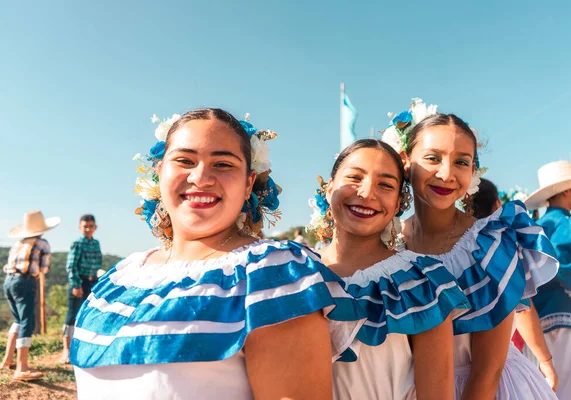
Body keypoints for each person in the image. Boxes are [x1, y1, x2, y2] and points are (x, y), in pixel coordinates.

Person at [70, 108, 366, 400]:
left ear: (249, 182)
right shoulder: (119, 278)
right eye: (184, 160)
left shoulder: (274, 275)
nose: (201, 177)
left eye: (223, 164)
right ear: (160, 172)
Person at [382, 98, 559, 399]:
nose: (447, 173)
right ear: (405, 161)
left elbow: (487, 373)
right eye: (433, 158)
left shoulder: (489, 245)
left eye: (462, 161)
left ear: (473, 170)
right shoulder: (387, 243)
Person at [307, 139, 470, 399]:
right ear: (329, 189)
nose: (367, 193)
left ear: (397, 204)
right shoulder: (295, 275)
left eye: (385, 185)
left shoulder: (420, 280)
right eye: (354, 177)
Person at [471, 178, 559, 392]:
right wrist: (546, 361)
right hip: (497, 370)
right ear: (497, 205)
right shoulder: (497, 249)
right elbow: (522, 309)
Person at [525, 160, 571, 399]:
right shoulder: (563, 221)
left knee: (569, 387)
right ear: (566, 191)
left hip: (550, 315)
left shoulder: (542, 223)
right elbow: (560, 260)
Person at [1, 210, 60, 381]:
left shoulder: (18, 243)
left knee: (17, 320)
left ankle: (7, 360)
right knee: (27, 321)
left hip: (8, 281)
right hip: (25, 282)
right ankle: (22, 368)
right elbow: (44, 268)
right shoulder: (42, 243)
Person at [61, 214, 102, 363]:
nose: (88, 229)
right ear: (80, 227)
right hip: (80, 282)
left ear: (95, 227)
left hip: (93, 282)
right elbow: (71, 266)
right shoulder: (77, 243)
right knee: (72, 315)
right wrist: (76, 284)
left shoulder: (96, 243)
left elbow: (98, 263)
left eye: (90, 226)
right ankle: (66, 350)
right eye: (85, 226)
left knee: (88, 313)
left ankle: (84, 346)